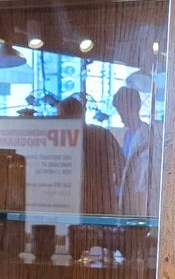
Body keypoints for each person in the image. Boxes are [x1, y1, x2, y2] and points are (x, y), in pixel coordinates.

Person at [57, 95, 121, 219]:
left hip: (88, 205)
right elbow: (121, 168)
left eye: (61, 116)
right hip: (102, 205)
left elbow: (121, 167)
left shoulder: (62, 141)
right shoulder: (103, 134)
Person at [113, 84, 152, 217]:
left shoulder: (146, 135)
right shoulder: (127, 135)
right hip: (125, 196)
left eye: (122, 111)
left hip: (138, 198)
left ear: (134, 108)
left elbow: (144, 174)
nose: (121, 117)